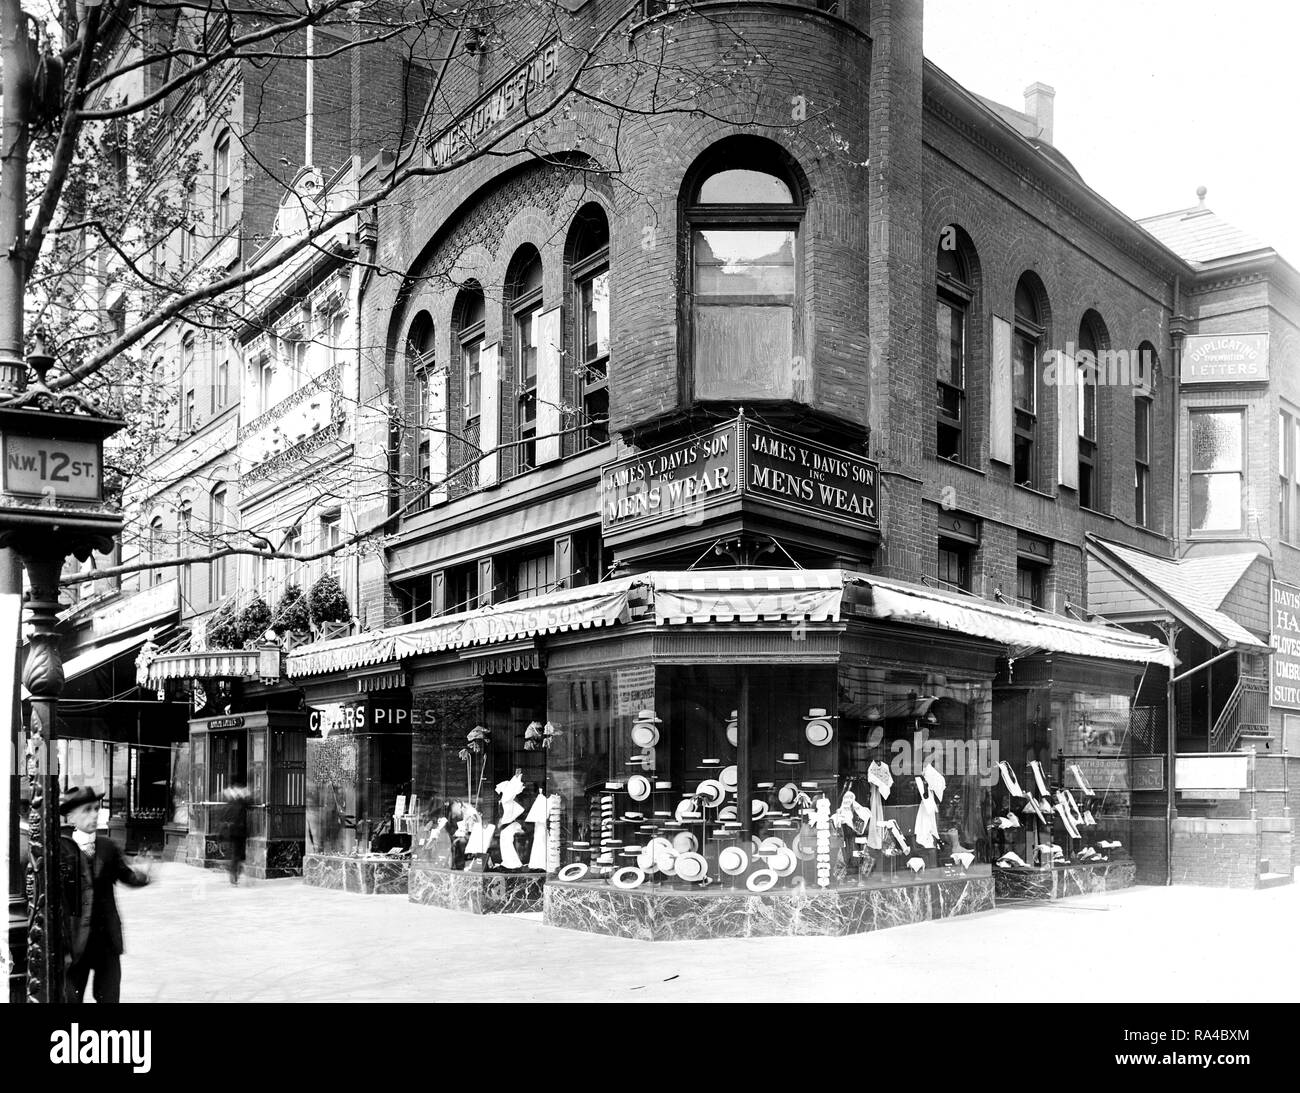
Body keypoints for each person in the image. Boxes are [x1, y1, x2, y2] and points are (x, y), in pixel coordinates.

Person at [58, 785, 152, 1004]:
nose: (94, 815)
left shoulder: (107, 846)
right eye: (87, 810)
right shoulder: (61, 849)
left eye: (96, 809)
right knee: (71, 998)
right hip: (75, 943)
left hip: (106, 941)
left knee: (109, 997)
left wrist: (143, 875)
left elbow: (126, 876)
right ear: (71, 817)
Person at [219, 785, 252, 885]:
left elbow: (223, 817)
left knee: (234, 853)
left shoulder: (230, 803)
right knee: (238, 854)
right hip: (239, 832)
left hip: (231, 832)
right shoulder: (241, 803)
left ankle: (234, 871)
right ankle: (234, 872)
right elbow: (249, 803)